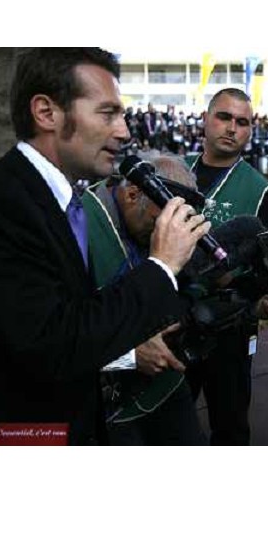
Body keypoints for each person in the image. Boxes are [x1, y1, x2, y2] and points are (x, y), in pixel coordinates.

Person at [0, 48, 210, 445]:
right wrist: (160, 266)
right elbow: (52, 345)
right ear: (47, 113)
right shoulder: (2, 202)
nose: (124, 131)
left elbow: (73, 318)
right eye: (107, 114)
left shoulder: (59, 200)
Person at [82, 154, 206, 445]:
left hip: (167, 384)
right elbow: (57, 341)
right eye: (158, 221)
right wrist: (127, 357)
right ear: (133, 193)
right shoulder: (77, 226)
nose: (164, 234)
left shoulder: (151, 222)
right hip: (107, 405)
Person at [185, 88, 268, 445]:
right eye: (224, 117)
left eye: (242, 122)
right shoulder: (175, 173)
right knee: (167, 421)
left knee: (230, 424)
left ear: (250, 131)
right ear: (206, 119)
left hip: (230, 325)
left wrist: (256, 297)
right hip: (172, 319)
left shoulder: (261, 190)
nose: (232, 128)